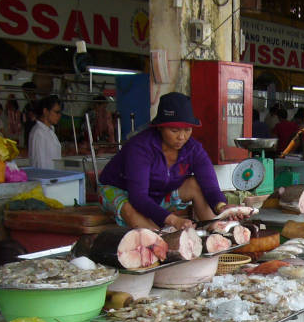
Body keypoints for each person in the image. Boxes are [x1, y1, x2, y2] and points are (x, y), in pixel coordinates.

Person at [97, 92, 237, 231]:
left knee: (195, 184)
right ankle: (162, 242)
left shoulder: (193, 149)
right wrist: (173, 220)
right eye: (174, 130)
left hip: (158, 195)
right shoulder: (140, 148)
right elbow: (138, 197)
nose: (181, 137)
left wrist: (222, 207)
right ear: (160, 127)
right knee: (130, 209)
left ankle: (215, 233)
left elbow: (210, 185)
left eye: (187, 130)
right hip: (120, 191)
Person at [27, 95, 62, 169]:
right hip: (45, 178)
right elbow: (40, 163)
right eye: (56, 112)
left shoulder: (50, 130)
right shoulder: (39, 133)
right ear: (45, 111)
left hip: (54, 176)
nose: (59, 116)